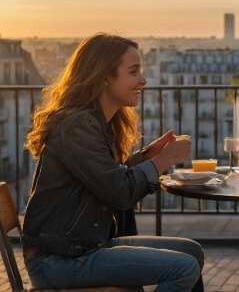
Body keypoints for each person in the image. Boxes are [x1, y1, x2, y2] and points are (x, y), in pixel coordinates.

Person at [22, 33, 204, 291]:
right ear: (104, 77)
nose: (143, 79)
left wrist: (146, 157)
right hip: (58, 260)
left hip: (81, 246)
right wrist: (166, 159)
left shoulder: (94, 122)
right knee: (183, 267)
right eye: (133, 72)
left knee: (192, 252)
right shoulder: (79, 126)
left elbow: (105, 179)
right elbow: (120, 193)